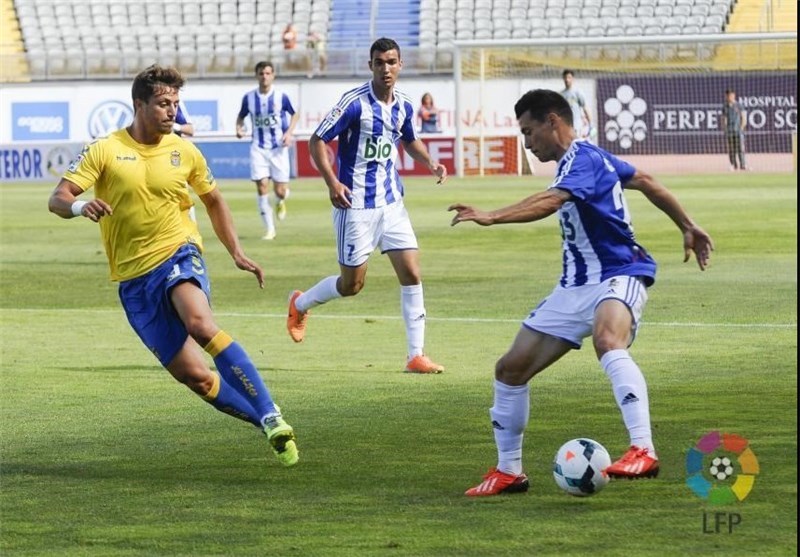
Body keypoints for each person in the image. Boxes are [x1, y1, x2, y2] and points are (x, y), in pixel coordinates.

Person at [449, 89, 714, 496]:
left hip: (619, 271)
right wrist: (687, 225)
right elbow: (644, 181)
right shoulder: (588, 159)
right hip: (574, 285)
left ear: (553, 121)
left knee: (608, 339)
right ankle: (509, 471)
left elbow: (551, 201)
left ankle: (643, 449)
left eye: (529, 132)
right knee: (510, 370)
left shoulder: (582, 159)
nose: (527, 144)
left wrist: (491, 216)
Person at [47, 65, 299, 467]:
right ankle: (267, 426)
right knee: (195, 377)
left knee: (200, 324)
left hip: (178, 252)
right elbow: (58, 198)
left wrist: (236, 251)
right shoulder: (105, 150)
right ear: (139, 104)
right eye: (164, 103)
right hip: (134, 280)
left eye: (176, 103)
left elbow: (213, 200)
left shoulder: (184, 150)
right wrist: (80, 206)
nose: (173, 112)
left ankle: (270, 410)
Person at [287, 37, 448, 374]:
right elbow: (317, 140)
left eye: (391, 62)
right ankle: (300, 303)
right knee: (352, 286)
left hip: (392, 203)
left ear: (400, 65)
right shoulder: (354, 103)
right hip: (355, 206)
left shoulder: (405, 105)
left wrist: (430, 162)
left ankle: (416, 355)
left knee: (412, 273)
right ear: (371, 66)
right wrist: (332, 182)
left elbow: (408, 138)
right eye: (379, 63)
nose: (386, 69)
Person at [236, 61, 299, 240]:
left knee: (280, 191)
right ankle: (270, 230)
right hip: (258, 147)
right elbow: (241, 116)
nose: (264, 77)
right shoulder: (249, 98)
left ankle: (280, 200)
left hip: (278, 148)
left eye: (268, 73)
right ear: (256, 75)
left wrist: (289, 133)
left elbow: (295, 114)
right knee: (262, 185)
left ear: (273, 75)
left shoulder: (281, 97)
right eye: (261, 73)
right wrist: (239, 128)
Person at [560, 69, 592, 140]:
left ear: (572, 79)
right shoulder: (561, 95)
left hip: (576, 125)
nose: (567, 80)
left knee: (576, 143)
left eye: (569, 77)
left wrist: (590, 124)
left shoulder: (577, 93)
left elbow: (585, 108)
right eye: (565, 77)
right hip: (565, 126)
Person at [721, 88, 747, 171]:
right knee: (731, 149)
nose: (729, 97)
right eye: (727, 95)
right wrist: (725, 129)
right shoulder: (725, 106)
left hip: (738, 131)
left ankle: (743, 165)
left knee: (740, 148)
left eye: (731, 95)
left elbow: (743, 117)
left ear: (734, 95)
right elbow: (723, 119)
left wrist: (741, 128)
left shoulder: (739, 105)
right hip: (730, 131)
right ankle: (733, 164)